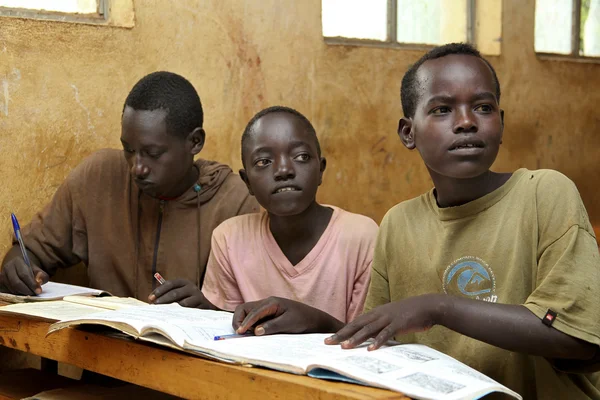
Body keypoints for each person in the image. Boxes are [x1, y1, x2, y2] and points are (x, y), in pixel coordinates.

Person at [325, 43, 600, 398]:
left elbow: (578, 338)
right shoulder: (399, 223)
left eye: (484, 107)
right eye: (442, 109)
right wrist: (319, 324)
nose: (467, 122)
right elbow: (382, 340)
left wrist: (438, 307)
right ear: (408, 133)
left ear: (501, 123)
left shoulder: (544, 194)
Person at [0, 71, 259, 306]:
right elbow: (32, 250)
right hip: (106, 350)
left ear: (195, 141)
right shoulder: (98, 178)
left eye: (152, 153)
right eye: (129, 150)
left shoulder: (237, 202)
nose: (137, 167)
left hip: (190, 354)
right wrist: (18, 267)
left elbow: (257, 306)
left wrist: (208, 306)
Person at [199, 106, 378, 335]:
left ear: (321, 170)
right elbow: (231, 335)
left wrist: (315, 322)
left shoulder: (361, 237)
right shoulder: (229, 239)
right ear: (247, 183)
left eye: (301, 157)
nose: (284, 170)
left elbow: (368, 342)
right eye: (264, 161)